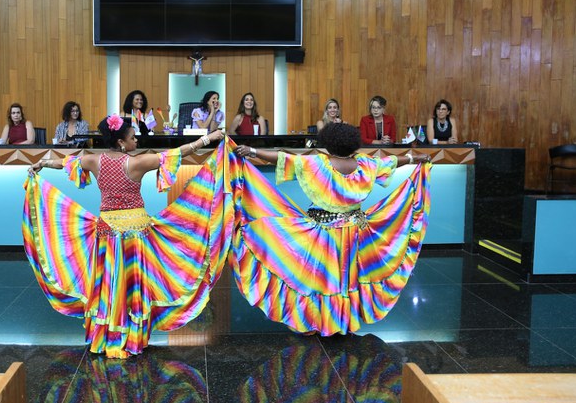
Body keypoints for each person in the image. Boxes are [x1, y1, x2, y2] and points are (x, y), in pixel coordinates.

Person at [25, 115, 227, 358]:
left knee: (110, 283)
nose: (136, 140)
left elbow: (64, 162)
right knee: (132, 284)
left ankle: (108, 333)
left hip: (107, 232)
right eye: (133, 137)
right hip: (135, 234)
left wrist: (43, 163)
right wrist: (209, 138)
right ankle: (131, 335)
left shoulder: (93, 160)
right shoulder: (137, 162)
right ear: (121, 142)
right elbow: (179, 152)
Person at [233, 123, 431, 336]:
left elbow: (283, 158)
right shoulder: (365, 164)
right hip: (354, 233)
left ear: (328, 143)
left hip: (323, 233)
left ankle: (317, 321)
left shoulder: (318, 163)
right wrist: (415, 158)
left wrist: (252, 151)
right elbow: (391, 162)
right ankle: (340, 320)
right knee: (344, 278)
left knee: (319, 277)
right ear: (353, 144)